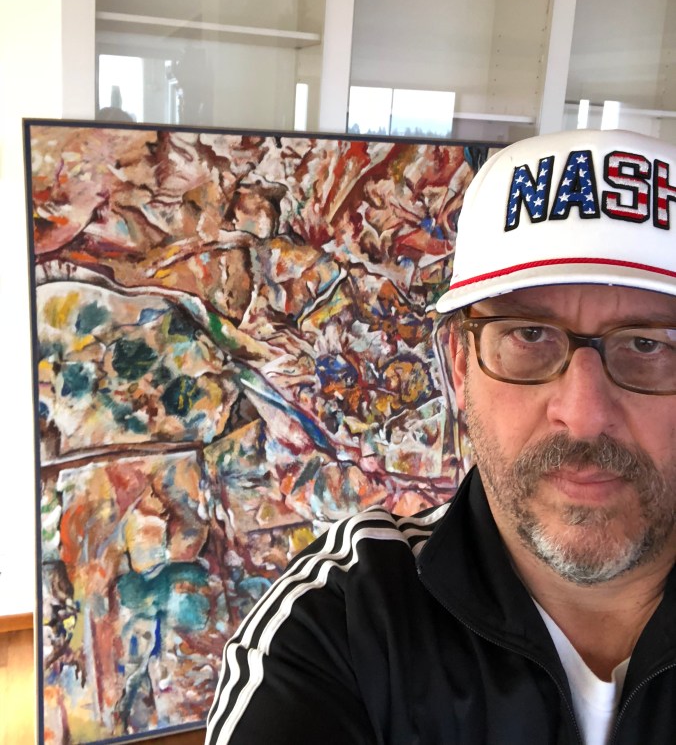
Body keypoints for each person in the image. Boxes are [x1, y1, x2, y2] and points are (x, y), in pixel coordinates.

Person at [205, 128, 676, 745]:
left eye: (647, 344)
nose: (585, 416)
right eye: (529, 336)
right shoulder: (344, 628)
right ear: (459, 364)